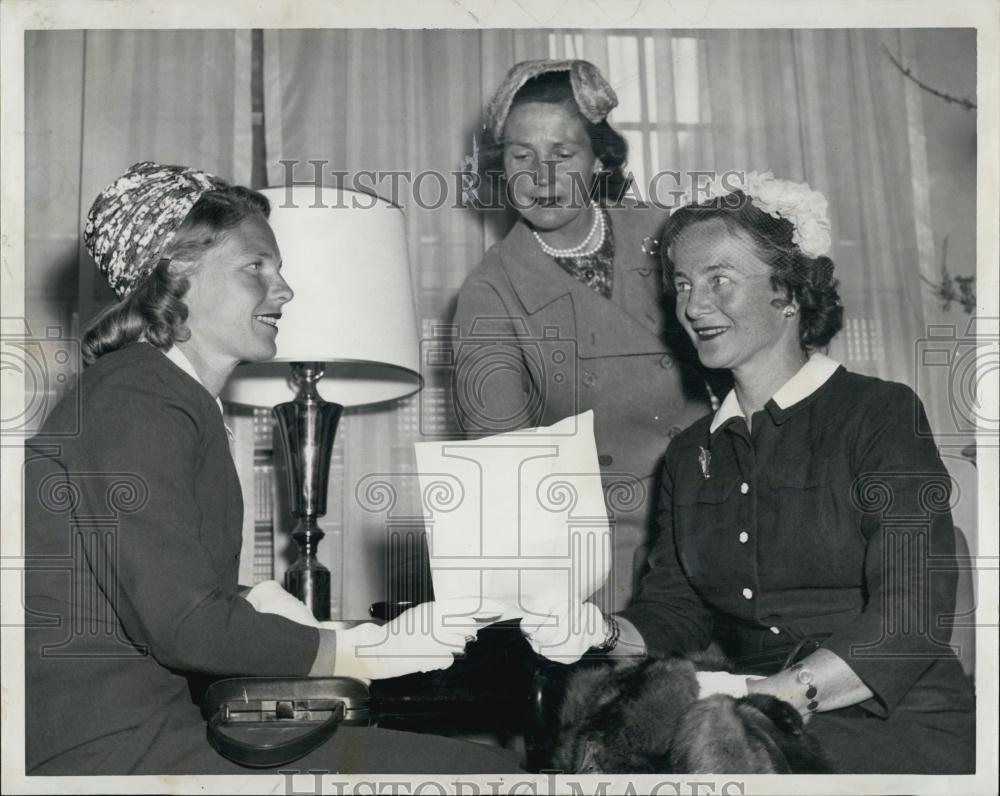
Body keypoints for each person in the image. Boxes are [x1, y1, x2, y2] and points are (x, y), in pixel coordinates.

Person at [24, 161, 520, 775]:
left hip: (147, 735)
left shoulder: (158, 394)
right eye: (255, 267)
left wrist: (258, 598)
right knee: (491, 775)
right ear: (177, 274)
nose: (283, 290)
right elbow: (185, 626)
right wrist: (364, 649)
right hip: (109, 752)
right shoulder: (135, 397)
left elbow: (157, 586)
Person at [518, 172, 976, 774]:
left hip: (896, 722)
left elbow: (911, 616)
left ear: (787, 293)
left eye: (720, 282)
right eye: (682, 284)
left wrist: (776, 698)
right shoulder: (688, 454)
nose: (693, 306)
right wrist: (594, 631)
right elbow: (674, 612)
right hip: (744, 722)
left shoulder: (878, 414)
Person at [453, 60, 713, 613]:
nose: (541, 178)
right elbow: (505, 464)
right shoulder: (489, 292)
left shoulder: (668, 235)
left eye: (562, 155)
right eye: (522, 157)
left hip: (714, 519)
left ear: (599, 159)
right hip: (600, 554)